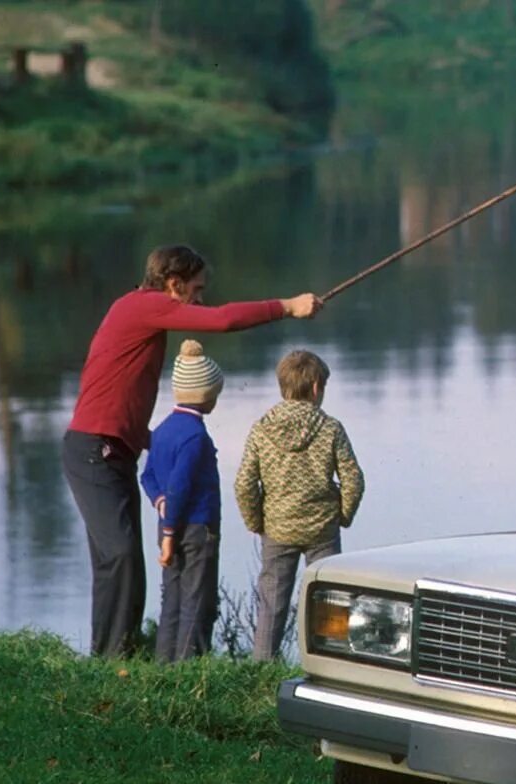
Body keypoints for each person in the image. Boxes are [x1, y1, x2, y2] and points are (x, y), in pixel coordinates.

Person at [62, 244, 321, 657]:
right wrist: (288, 306)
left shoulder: (138, 311)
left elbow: (118, 396)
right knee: (120, 555)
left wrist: (152, 440)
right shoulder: (145, 306)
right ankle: (111, 658)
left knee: (122, 559)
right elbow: (223, 320)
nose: (199, 300)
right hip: (94, 451)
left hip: (113, 450)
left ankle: (119, 652)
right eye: (196, 289)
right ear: (173, 284)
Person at [235, 348, 365, 661]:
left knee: (272, 602)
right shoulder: (331, 428)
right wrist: (342, 516)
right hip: (322, 529)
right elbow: (354, 480)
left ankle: (261, 666)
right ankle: (331, 665)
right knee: (331, 598)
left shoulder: (261, 428)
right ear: (317, 388)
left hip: (277, 527)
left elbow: (244, 484)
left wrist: (256, 521)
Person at [139, 341, 225, 662]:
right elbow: (180, 485)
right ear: (206, 395)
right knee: (196, 601)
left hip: (168, 524)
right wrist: (170, 532)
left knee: (172, 601)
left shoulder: (162, 430)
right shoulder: (195, 437)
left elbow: (147, 476)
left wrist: (160, 505)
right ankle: (190, 669)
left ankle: (164, 664)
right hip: (195, 528)